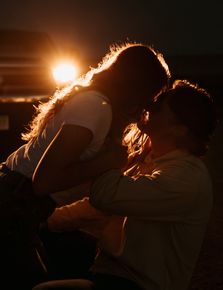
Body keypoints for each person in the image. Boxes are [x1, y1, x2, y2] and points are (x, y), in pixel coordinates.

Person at [0, 42, 170, 289]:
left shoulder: (99, 106)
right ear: (137, 88)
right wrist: (105, 163)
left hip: (19, 206)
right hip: (12, 205)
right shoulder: (94, 108)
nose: (148, 105)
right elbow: (43, 182)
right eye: (151, 95)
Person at [32, 79, 218, 290]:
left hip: (138, 284)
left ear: (179, 129)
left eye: (158, 105)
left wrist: (113, 137)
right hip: (117, 273)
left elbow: (106, 195)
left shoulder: (186, 179)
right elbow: (99, 208)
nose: (148, 106)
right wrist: (44, 222)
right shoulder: (156, 162)